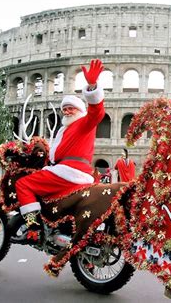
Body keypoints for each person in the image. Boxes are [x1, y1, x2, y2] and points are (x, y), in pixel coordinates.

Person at [15, 59, 105, 244]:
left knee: (24, 185)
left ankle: (33, 227)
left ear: (80, 110)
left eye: (71, 108)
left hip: (69, 172)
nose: (67, 112)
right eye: (64, 109)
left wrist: (92, 86)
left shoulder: (83, 123)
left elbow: (97, 113)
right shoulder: (65, 131)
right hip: (69, 172)